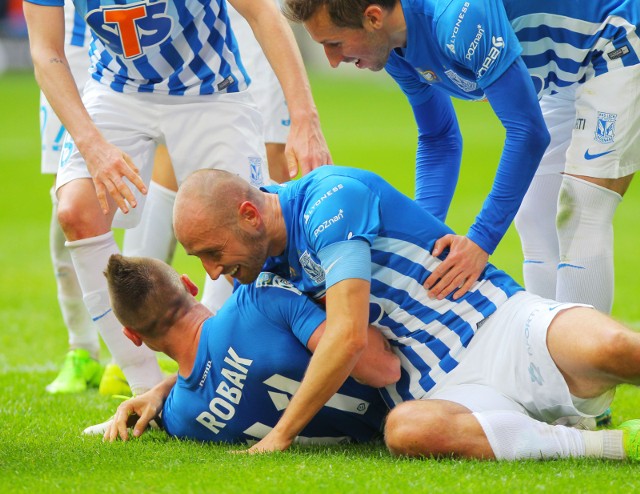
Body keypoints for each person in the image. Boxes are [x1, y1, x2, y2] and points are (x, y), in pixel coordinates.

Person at [173, 166, 640, 460]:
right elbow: (224, 335)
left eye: (212, 252)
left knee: (615, 346)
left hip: (500, 324)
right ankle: (610, 446)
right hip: (438, 391)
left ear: (250, 214)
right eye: (199, 260)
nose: (213, 272)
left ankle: (559, 424)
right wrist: (163, 393)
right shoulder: (258, 267)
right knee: (405, 431)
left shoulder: (329, 200)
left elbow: (348, 335)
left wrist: (282, 434)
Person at [23, 0, 331, 395]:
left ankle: (217, 375)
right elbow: (45, 50)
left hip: (210, 91)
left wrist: (304, 116)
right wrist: (91, 144)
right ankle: (143, 387)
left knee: (239, 227)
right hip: (116, 90)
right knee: (76, 211)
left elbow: (262, 12)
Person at [282, 0, 640, 315]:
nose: (331, 61)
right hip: (561, 75)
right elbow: (439, 138)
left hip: (615, 41)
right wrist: (422, 243)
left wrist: (480, 241)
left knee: (582, 210)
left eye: (334, 43)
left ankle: (584, 390)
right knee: (533, 217)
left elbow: (528, 132)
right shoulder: (394, 48)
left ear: (374, 18)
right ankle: (553, 372)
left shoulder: (458, 18)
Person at [101, 254, 396, 444]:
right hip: (410, 384)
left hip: (388, 429)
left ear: (133, 336)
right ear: (189, 285)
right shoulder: (259, 296)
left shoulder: (182, 418)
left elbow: (206, 371)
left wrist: (157, 393)